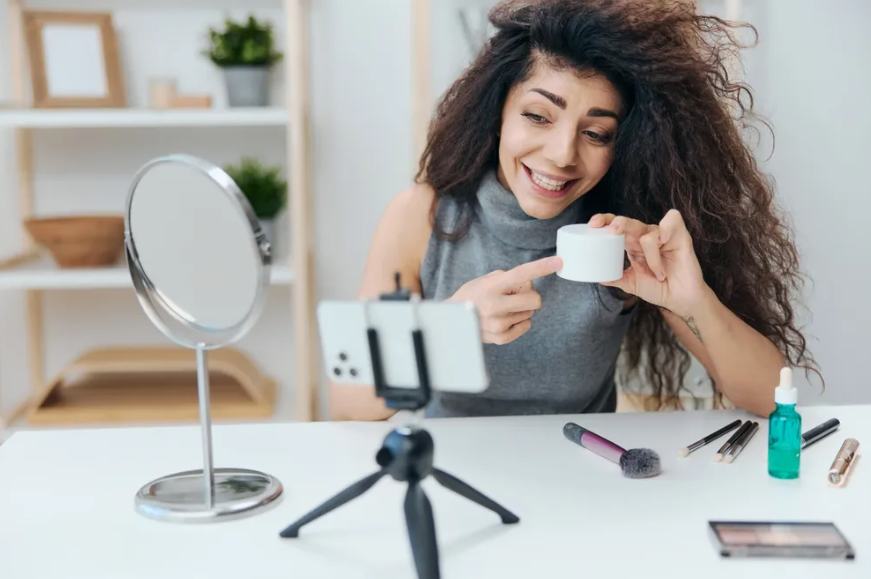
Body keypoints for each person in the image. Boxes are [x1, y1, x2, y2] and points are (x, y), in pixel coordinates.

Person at [330, 0, 820, 421]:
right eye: (538, 115)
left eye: (596, 133)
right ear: (497, 112)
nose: (563, 154)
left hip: (585, 483)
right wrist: (449, 328)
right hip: (451, 480)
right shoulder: (422, 218)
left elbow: (771, 401)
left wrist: (692, 300)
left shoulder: (621, 239)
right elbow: (348, 402)